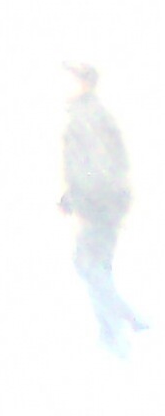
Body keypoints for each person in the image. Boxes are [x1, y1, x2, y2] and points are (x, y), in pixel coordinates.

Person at [60, 62, 145, 357]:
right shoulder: (92, 114)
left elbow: (96, 169)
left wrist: (85, 202)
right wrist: (70, 197)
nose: (62, 85)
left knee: (86, 264)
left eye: (69, 79)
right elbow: (100, 164)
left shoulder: (86, 117)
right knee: (99, 267)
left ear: (84, 84)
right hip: (108, 201)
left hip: (101, 204)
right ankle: (114, 330)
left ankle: (123, 326)